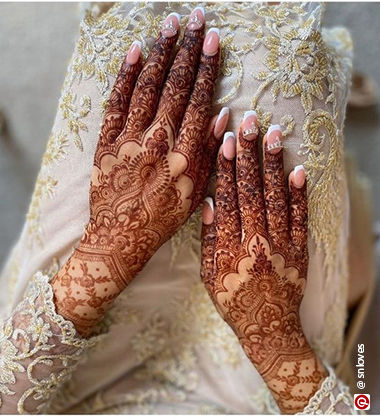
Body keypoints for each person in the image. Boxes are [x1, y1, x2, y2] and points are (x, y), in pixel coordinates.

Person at [0, 3, 371, 414]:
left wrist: (107, 251)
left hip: (63, 369)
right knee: (285, 72)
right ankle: (332, 84)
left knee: (129, 59)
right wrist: (274, 342)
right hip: (257, 387)